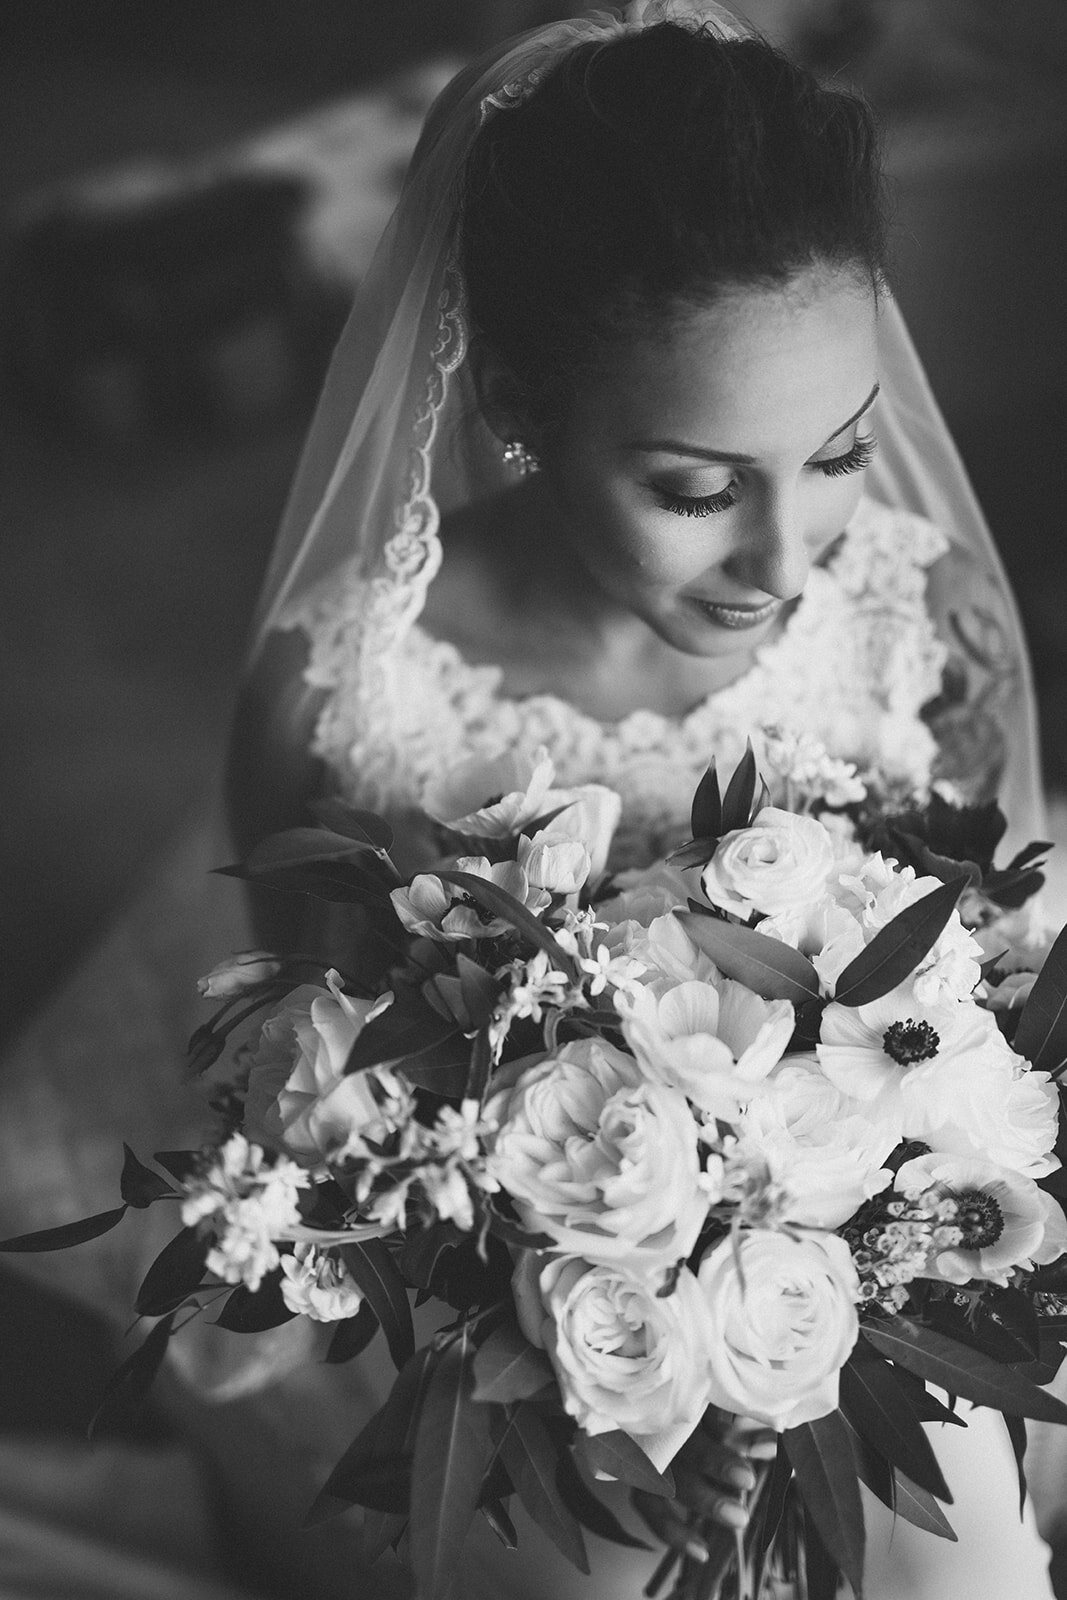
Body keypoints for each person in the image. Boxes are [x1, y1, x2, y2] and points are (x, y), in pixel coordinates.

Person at [0, 3, 1059, 1597]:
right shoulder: (355, 695)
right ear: (514, 400)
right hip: (528, 1310)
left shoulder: (919, 631)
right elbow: (331, 1112)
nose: (786, 563)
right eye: (698, 488)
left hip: (875, 1275)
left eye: (840, 454)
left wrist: (838, 1287)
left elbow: (987, 983)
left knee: (955, 1541)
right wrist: (620, 1350)